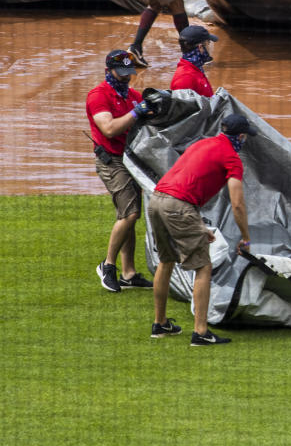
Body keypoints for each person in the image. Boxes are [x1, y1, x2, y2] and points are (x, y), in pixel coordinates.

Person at [149, 113, 257, 346]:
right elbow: (237, 204)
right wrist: (246, 238)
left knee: (166, 261)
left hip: (157, 199)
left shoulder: (203, 143)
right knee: (203, 267)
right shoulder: (232, 158)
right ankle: (201, 332)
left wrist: (197, 224)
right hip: (178, 206)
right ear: (240, 136)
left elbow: (187, 182)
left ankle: (160, 324)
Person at [86, 49, 156, 293]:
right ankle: (107, 266)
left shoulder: (134, 96)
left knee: (129, 214)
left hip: (132, 161)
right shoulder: (98, 95)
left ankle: (129, 273)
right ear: (108, 71)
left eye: (130, 73)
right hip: (112, 162)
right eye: (122, 73)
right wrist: (136, 113)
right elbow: (109, 129)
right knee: (130, 215)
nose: (127, 77)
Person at [171, 25, 218, 96]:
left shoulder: (196, 69)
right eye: (208, 44)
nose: (210, 48)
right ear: (200, 47)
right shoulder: (185, 78)